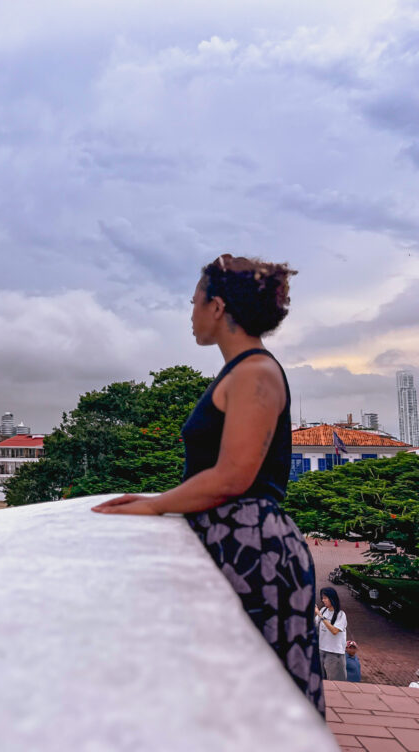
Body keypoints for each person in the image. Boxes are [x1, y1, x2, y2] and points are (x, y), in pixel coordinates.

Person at [93, 254, 324, 715]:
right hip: (238, 540)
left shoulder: (255, 372)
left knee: (268, 704)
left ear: (217, 307)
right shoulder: (241, 371)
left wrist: (157, 505)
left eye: (194, 302)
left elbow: (233, 475)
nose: (191, 313)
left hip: (254, 547)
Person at [315, 587, 348, 681]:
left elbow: (334, 631)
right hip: (321, 650)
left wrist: (320, 616)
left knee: (335, 682)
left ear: (332, 598)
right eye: (322, 598)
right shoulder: (323, 610)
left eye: (325, 598)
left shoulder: (341, 614)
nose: (323, 600)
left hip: (334, 653)